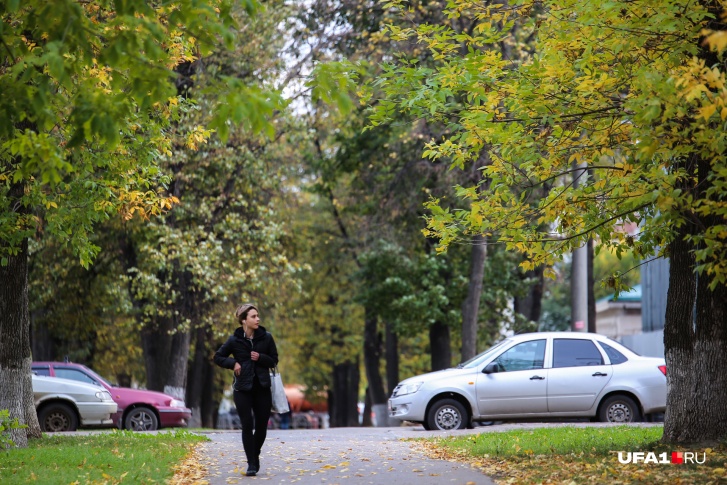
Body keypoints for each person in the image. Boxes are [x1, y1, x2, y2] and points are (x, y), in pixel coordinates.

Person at [214, 303, 278, 476]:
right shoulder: (234, 340)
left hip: (262, 387)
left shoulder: (266, 337)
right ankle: (251, 463)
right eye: (253, 316)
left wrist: (261, 357)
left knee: (262, 427)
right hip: (242, 388)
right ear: (244, 320)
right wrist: (233, 363)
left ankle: (254, 455)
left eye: (257, 316)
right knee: (247, 424)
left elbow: (274, 360)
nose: (257, 319)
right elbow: (218, 357)